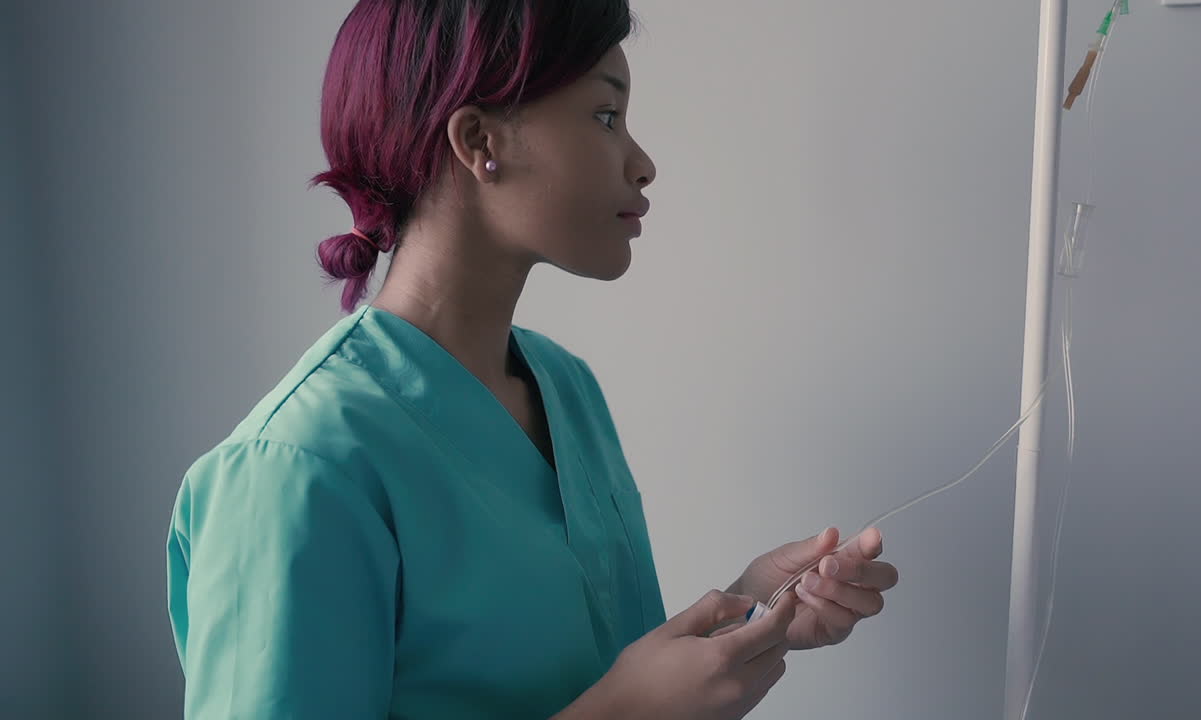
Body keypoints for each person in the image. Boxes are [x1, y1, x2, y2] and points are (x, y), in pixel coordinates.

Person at [165, 1, 899, 718]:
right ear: (480, 139)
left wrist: (747, 615)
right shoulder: (299, 468)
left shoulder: (565, 388)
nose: (643, 164)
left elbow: (585, 671)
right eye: (606, 116)